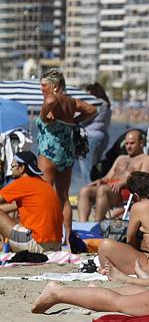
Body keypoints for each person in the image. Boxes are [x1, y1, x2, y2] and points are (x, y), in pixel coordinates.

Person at [37, 69, 97, 243]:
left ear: (55, 86)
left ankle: (48, 234)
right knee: (63, 197)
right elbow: (92, 110)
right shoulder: (71, 102)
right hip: (67, 153)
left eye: (44, 85)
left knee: (46, 194)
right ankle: (68, 237)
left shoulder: (52, 98)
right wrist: (76, 120)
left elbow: (49, 101)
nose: (42, 89)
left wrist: (43, 115)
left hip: (49, 152)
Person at [78, 129, 149, 222]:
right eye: (126, 144)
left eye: (132, 143)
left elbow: (144, 180)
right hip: (112, 188)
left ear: (141, 143)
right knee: (85, 190)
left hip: (128, 191)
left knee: (103, 189)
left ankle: (97, 222)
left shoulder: (146, 159)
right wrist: (100, 181)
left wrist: (122, 183)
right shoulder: (120, 158)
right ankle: (83, 224)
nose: (128, 147)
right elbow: (108, 177)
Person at [0, 152, 62, 253]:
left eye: (12, 166)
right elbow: (14, 206)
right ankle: (4, 246)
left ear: (21, 168)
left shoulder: (22, 183)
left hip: (36, 244)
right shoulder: (45, 184)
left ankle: (4, 246)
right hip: (56, 245)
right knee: (15, 220)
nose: (10, 169)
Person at [78, 82, 112, 186]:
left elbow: (84, 118)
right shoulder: (106, 104)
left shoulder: (96, 103)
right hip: (102, 136)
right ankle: (96, 189)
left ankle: (88, 191)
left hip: (90, 137)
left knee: (87, 167)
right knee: (96, 166)